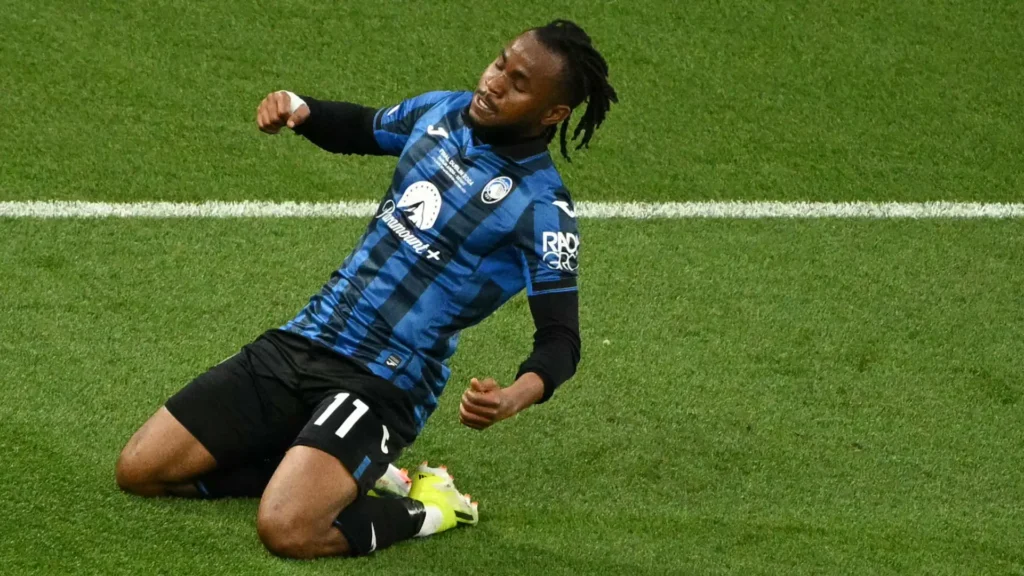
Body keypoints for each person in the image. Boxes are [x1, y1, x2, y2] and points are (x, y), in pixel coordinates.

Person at [114, 19, 617, 559]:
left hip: (385, 380)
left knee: (288, 530)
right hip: (309, 335)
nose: (494, 83)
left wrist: (512, 398)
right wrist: (301, 108)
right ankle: (342, 468)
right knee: (139, 471)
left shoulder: (542, 208)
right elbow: (362, 127)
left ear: (553, 114)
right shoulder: (441, 112)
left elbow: (561, 340)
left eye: (518, 84)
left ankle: (432, 508)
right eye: (499, 63)